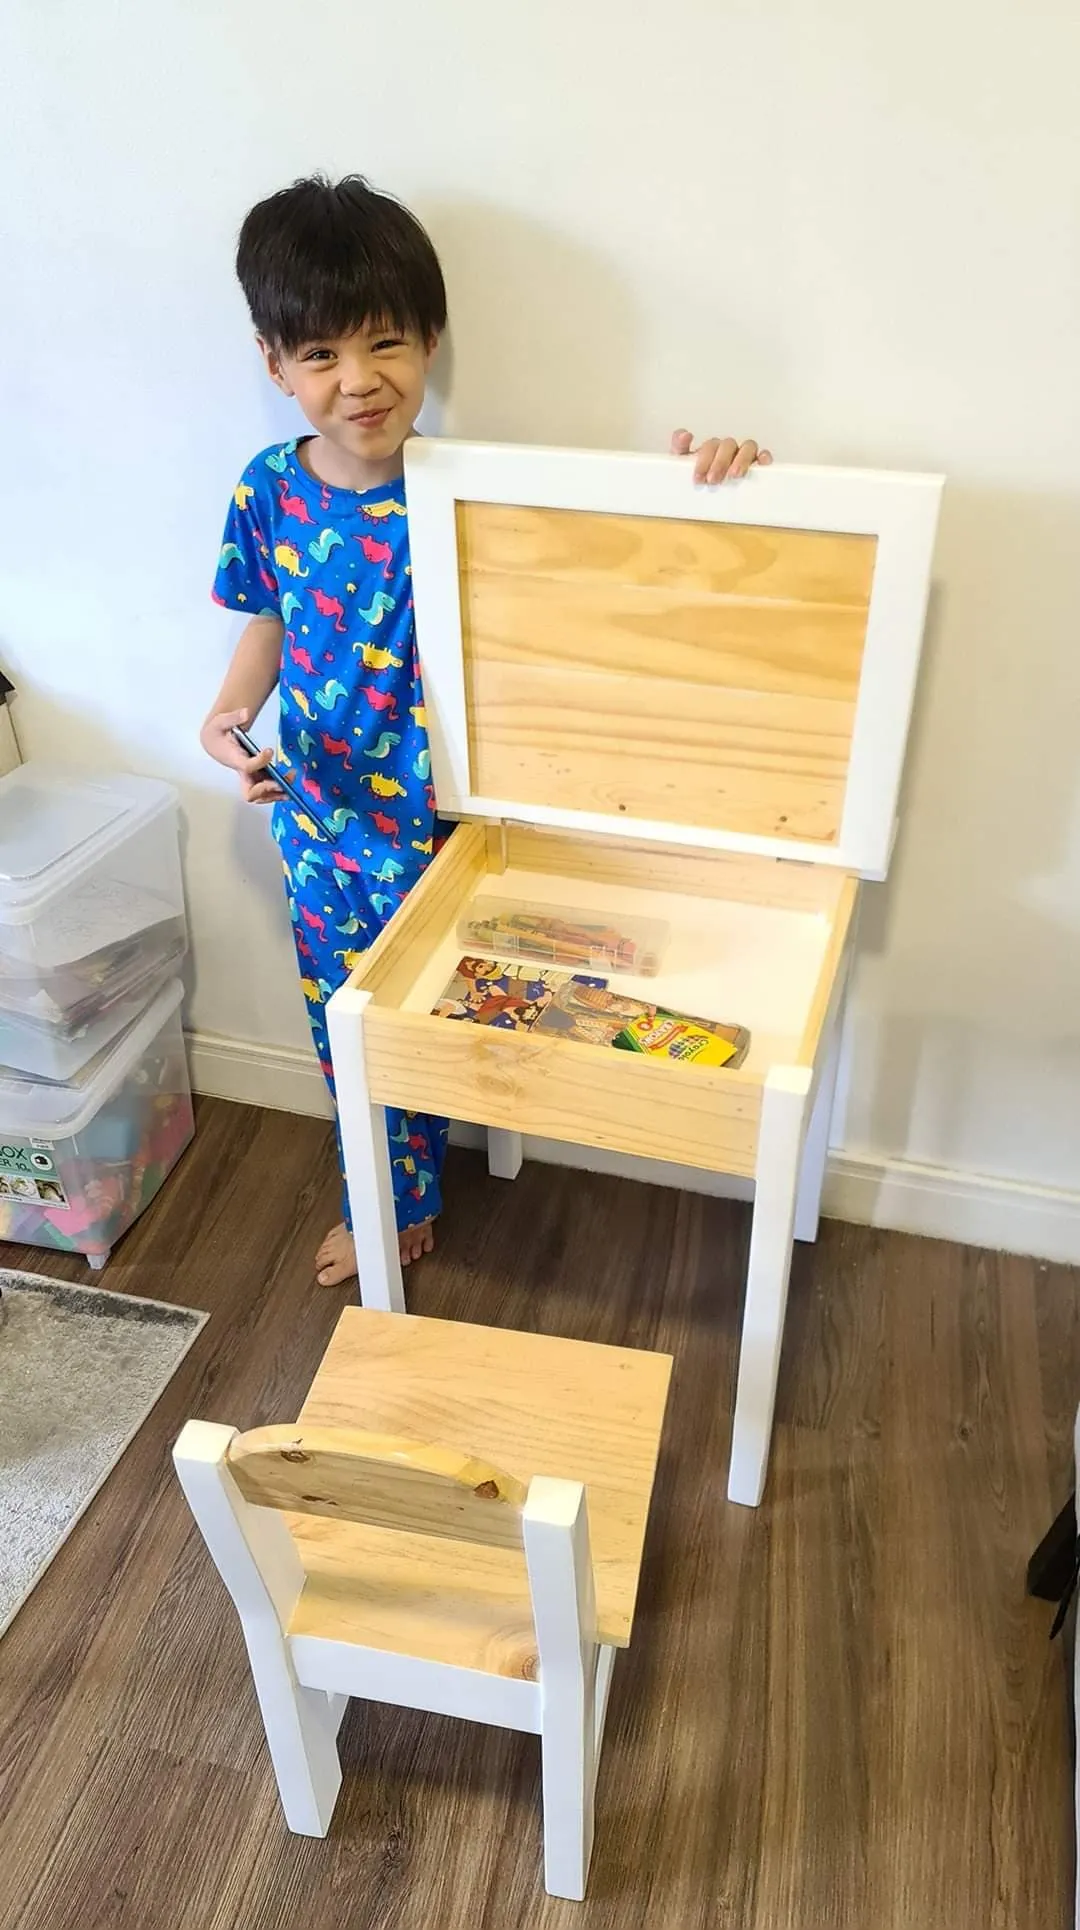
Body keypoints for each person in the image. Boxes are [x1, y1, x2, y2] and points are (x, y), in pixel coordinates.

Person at [201, 173, 772, 1289]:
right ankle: (392, 1198)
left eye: (384, 344)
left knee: (457, 1020)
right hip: (318, 820)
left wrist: (720, 485)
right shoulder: (267, 488)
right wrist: (228, 720)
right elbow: (265, 618)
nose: (358, 381)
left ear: (431, 341)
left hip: (457, 823)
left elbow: (615, 572)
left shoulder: (476, 490)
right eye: (320, 356)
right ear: (275, 364)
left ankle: (429, 1186)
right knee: (349, 1029)